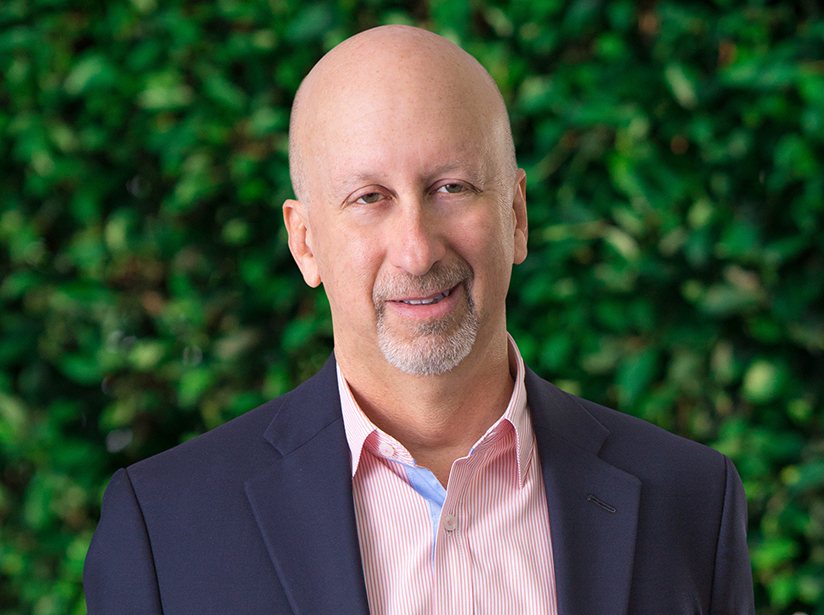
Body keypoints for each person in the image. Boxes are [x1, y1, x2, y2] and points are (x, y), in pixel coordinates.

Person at [84, 25, 755, 614]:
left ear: (517, 214)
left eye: (451, 187)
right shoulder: (165, 528)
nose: (417, 250)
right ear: (305, 241)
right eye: (369, 197)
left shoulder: (692, 500)